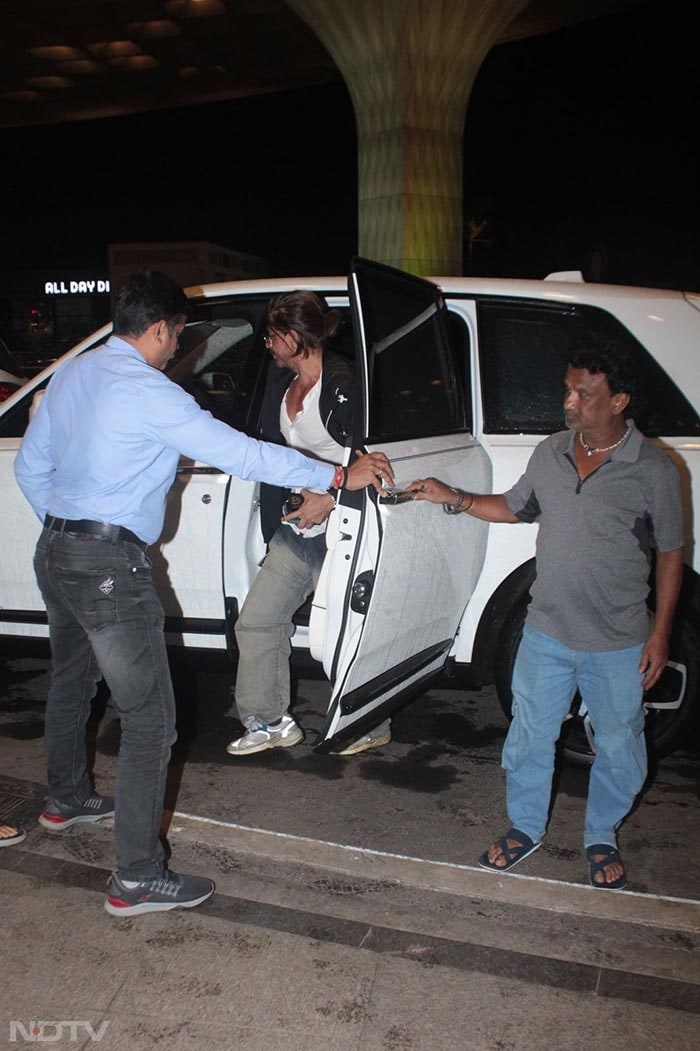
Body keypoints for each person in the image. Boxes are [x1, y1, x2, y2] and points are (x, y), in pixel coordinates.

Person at [14, 270, 393, 917]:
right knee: (151, 720)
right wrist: (336, 472)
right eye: (176, 337)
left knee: (73, 682)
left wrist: (71, 526)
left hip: (56, 551)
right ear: (160, 328)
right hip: (109, 565)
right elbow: (245, 455)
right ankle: (135, 876)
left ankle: (66, 798)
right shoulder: (151, 393)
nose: (174, 349)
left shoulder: (69, 376)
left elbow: (28, 467)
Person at [408, 336, 684, 890]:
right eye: (568, 390)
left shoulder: (653, 468)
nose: (570, 402)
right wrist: (454, 496)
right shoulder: (551, 453)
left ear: (620, 401)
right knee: (530, 735)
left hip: (618, 641)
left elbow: (673, 555)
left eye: (584, 393)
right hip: (547, 631)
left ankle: (601, 833)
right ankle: (526, 827)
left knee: (619, 743)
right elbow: (513, 508)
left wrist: (660, 635)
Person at [227, 291, 393, 757]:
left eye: (273, 336)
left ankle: (370, 720)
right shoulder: (283, 384)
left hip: (344, 529)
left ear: (296, 337)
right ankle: (268, 720)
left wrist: (330, 498)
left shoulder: (343, 384)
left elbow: (375, 466)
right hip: (300, 527)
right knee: (257, 621)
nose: (267, 345)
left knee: (346, 633)